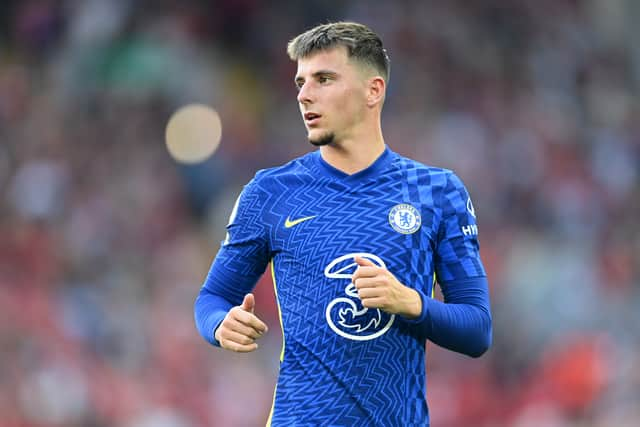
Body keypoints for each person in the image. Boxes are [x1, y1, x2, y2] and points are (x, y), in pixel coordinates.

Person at [194, 21, 492, 426]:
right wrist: (219, 325)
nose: (304, 94)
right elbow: (211, 299)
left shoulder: (436, 192)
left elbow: (477, 329)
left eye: (324, 79)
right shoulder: (271, 191)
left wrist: (410, 303)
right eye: (300, 82)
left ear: (373, 90)